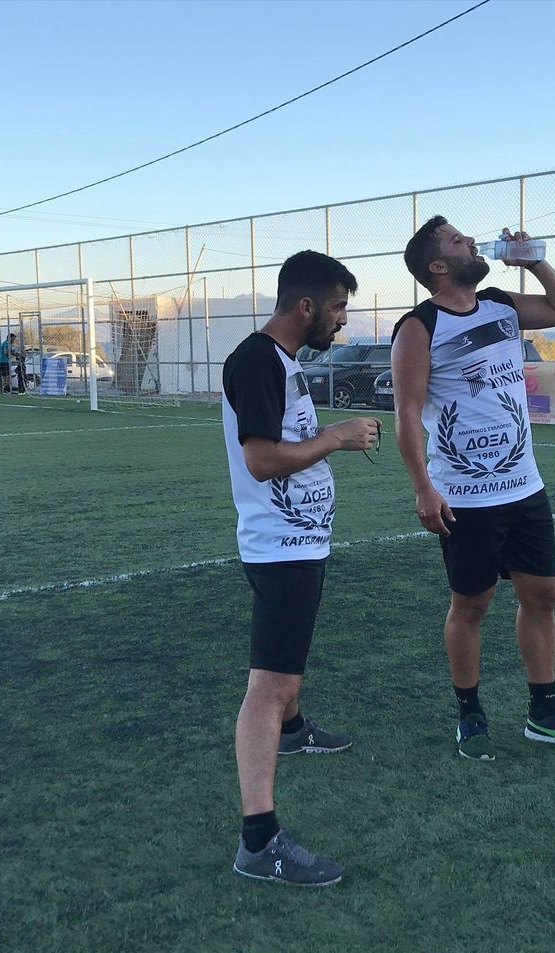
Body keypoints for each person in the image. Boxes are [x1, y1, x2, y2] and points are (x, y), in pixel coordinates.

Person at [392, 217, 555, 761]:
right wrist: (422, 488)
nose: (470, 241)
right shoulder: (418, 327)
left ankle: (544, 713)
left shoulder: (500, 305)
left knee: (542, 596)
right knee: (471, 605)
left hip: (524, 486)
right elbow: (407, 413)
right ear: (438, 266)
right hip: (464, 496)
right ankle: (471, 714)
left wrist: (534, 260)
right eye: (457, 241)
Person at [222, 250, 380, 885]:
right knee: (269, 685)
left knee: (284, 677)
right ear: (306, 305)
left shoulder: (283, 360)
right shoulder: (257, 359)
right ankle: (259, 842)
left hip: (300, 543)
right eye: (338, 308)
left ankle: (292, 730)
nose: (343, 320)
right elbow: (262, 460)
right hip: (279, 548)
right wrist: (336, 437)